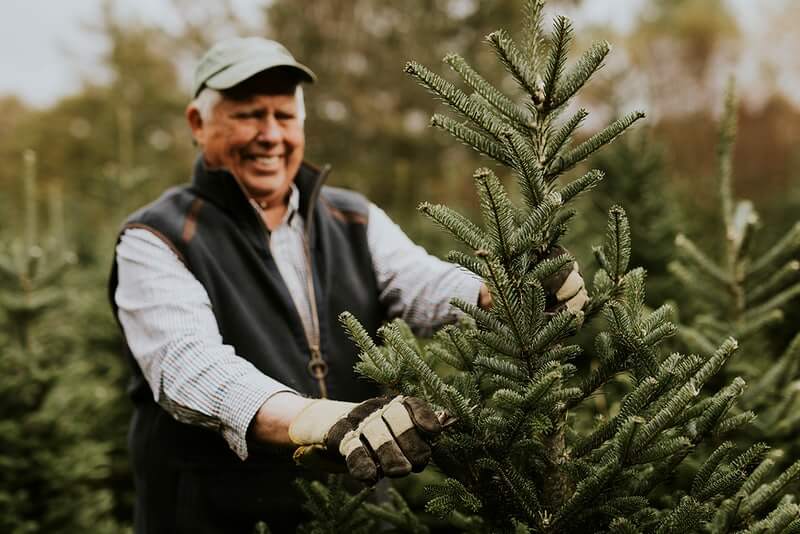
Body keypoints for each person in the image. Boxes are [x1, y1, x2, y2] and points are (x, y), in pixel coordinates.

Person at [109, 37, 588, 533]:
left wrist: (504, 294)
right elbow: (189, 367)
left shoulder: (351, 217)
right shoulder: (157, 237)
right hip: (217, 519)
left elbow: (421, 281)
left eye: (284, 116)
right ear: (197, 123)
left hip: (359, 516)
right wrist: (313, 420)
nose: (270, 134)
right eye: (249, 115)